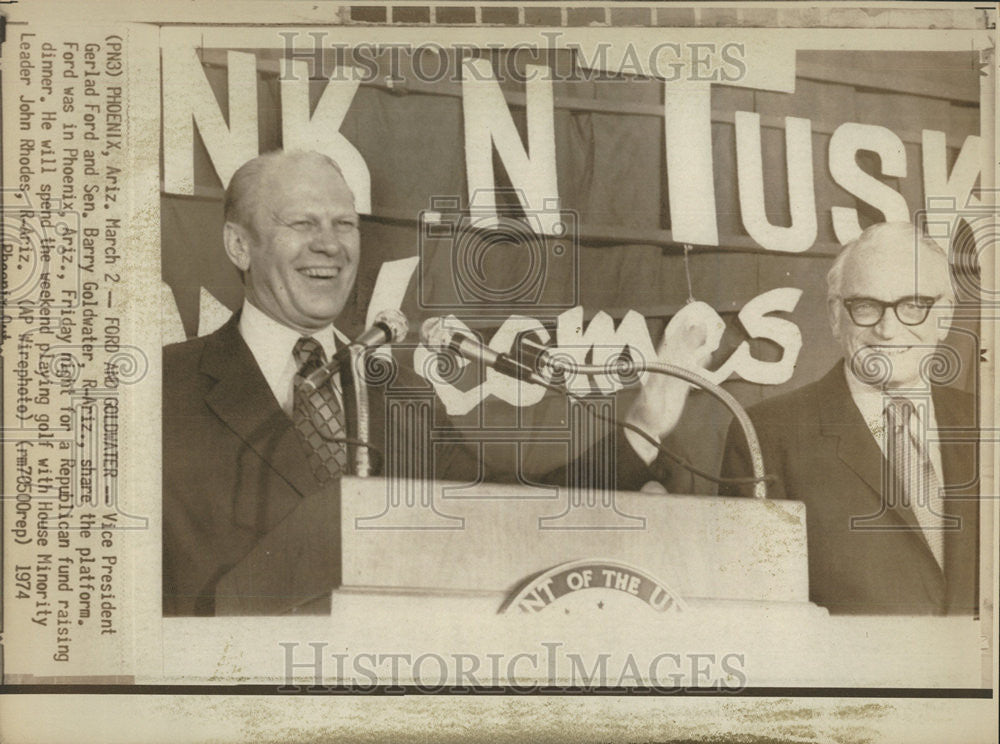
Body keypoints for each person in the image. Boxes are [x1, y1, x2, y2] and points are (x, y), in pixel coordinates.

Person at [162, 149, 698, 616]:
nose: (330, 245)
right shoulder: (164, 391)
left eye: (344, 225)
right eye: (302, 224)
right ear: (239, 246)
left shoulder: (401, 395)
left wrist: (640, 429)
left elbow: (503, 519)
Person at [720, 222, 979, 615]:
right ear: (836, 316)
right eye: (865, 306)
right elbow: (755, 614)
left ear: (943, 316)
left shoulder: (984, 421)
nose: (888, 329)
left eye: (913, 306)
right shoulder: (767, 436)